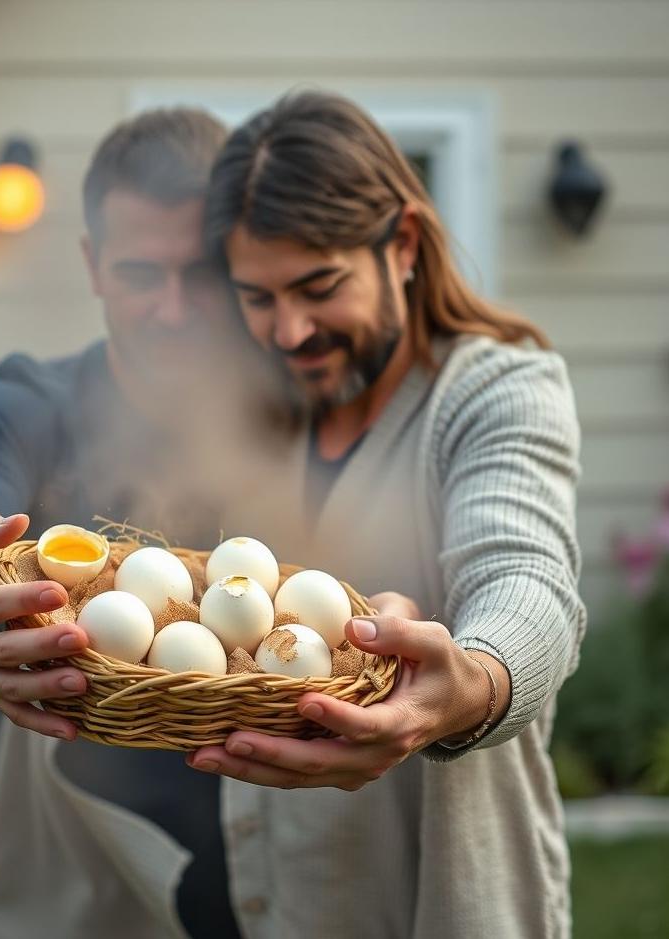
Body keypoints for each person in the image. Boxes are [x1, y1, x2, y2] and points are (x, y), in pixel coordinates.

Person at [0, 108, 257, 938]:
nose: (173, 309)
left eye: (200, 272)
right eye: (142, 273)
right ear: (93, 264)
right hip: (82, 873)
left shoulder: (307, 405)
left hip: (298, 863)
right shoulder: (19, 409)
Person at [185, 90, 585, 938]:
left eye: (317, 286)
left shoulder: (494, 391)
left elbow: (526, 583)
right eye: (256, 297)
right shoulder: (259, 424)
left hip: (452, 905)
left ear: (401, 243)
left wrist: (465, 684)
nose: (287, 330)